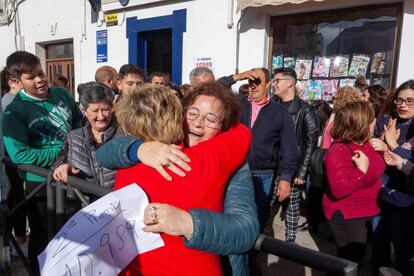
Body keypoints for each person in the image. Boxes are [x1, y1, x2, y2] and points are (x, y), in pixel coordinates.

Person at [113, 83, 252, 275]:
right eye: (192, 112)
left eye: (211, 119)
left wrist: (189, 223)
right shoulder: (207, 162)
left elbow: (246, 229)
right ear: (179, 115)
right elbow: (243, 134)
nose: (197, 123)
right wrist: (139, 149)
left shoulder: (124, 168)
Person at [2, 51, 83, 274]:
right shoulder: (15, 111)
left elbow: (77, 124)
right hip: (40, 183)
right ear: (16, 82)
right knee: (42, 237)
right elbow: (21, 156)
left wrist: (75, 150)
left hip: (73, 177)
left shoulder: (61, 94)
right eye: (31, 77)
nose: (40, 80)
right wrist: (63, 152)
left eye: (41, 73)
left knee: (75, 232)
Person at [323, 101, 385, 265]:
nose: (375, 123)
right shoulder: (339, 151)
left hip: (366, 211)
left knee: (356, 259)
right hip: (348, 215)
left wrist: (385, 149)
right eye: (372, 120)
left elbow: (377, 168)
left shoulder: (364, 143)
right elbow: (338, 189)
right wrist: (359, 171)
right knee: (350, 263)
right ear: (361, 124)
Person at [239, 67, 299, 230]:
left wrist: (286, 178)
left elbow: (289, 147)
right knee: (234, 219)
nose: (253, 85)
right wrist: (238, 76)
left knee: (256, 221)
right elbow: (213, 90)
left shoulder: (279, 112)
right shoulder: (238, 104)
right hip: (236, 171)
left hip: (262, 175)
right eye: (250, 81)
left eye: (258, 81)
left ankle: (251, 254)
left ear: (268, 84)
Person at [371, 80, 414, 276]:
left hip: (405, 201)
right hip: (381, 193)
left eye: (410, 101)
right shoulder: (387, 120)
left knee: (402, 250)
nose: (403, 105)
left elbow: (409, 165)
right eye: (400, 100)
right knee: (379, 245)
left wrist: (392, 143)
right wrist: (380, 143)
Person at [272, 67, 318, 242]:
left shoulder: (305, 109)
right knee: (267, 202)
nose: (274, 84)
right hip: (272, 164)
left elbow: (310, 141)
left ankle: (290, 241)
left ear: (289, 82)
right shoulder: (273, 105)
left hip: (293, 166)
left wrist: (301, 171)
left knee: (292, 205)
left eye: (277, 80)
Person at [52, 82, 119, 190]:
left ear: (112, 107)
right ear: (85, 111)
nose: (101, 116)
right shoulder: (73, 138)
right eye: (94, 111)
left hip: (117, 203)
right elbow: (55, 170)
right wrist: (65, 167)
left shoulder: (124, 134)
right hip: (84, 203)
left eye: (105, 109)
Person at [1, 67, 28, 257]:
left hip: (12, 158)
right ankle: (17, 240)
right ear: (13, 82)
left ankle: (16, 240)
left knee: (16, 198)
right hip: (11, 159)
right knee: (14, 198)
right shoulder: (9, 101)